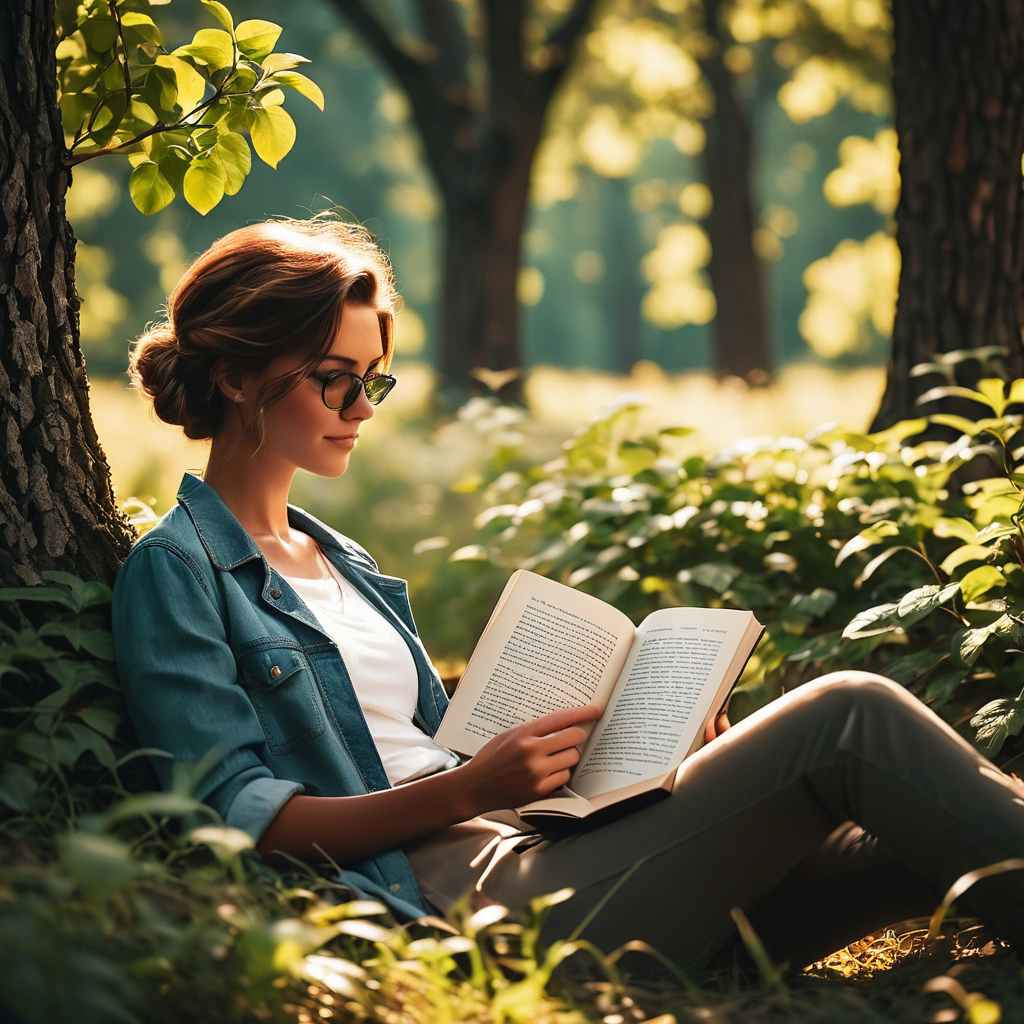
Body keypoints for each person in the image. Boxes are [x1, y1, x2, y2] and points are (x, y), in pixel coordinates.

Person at [111, 214, 1024, 976]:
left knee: (915, 827)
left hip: (549, 853)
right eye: (334, 380)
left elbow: (431, 756)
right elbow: (238, 824)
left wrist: (636, 761)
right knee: (848, 713)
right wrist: (472, 786)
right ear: (235, 376)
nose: (363, 409)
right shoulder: (178, 570)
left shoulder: (339, 557)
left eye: (373, 379)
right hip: (468, 904)